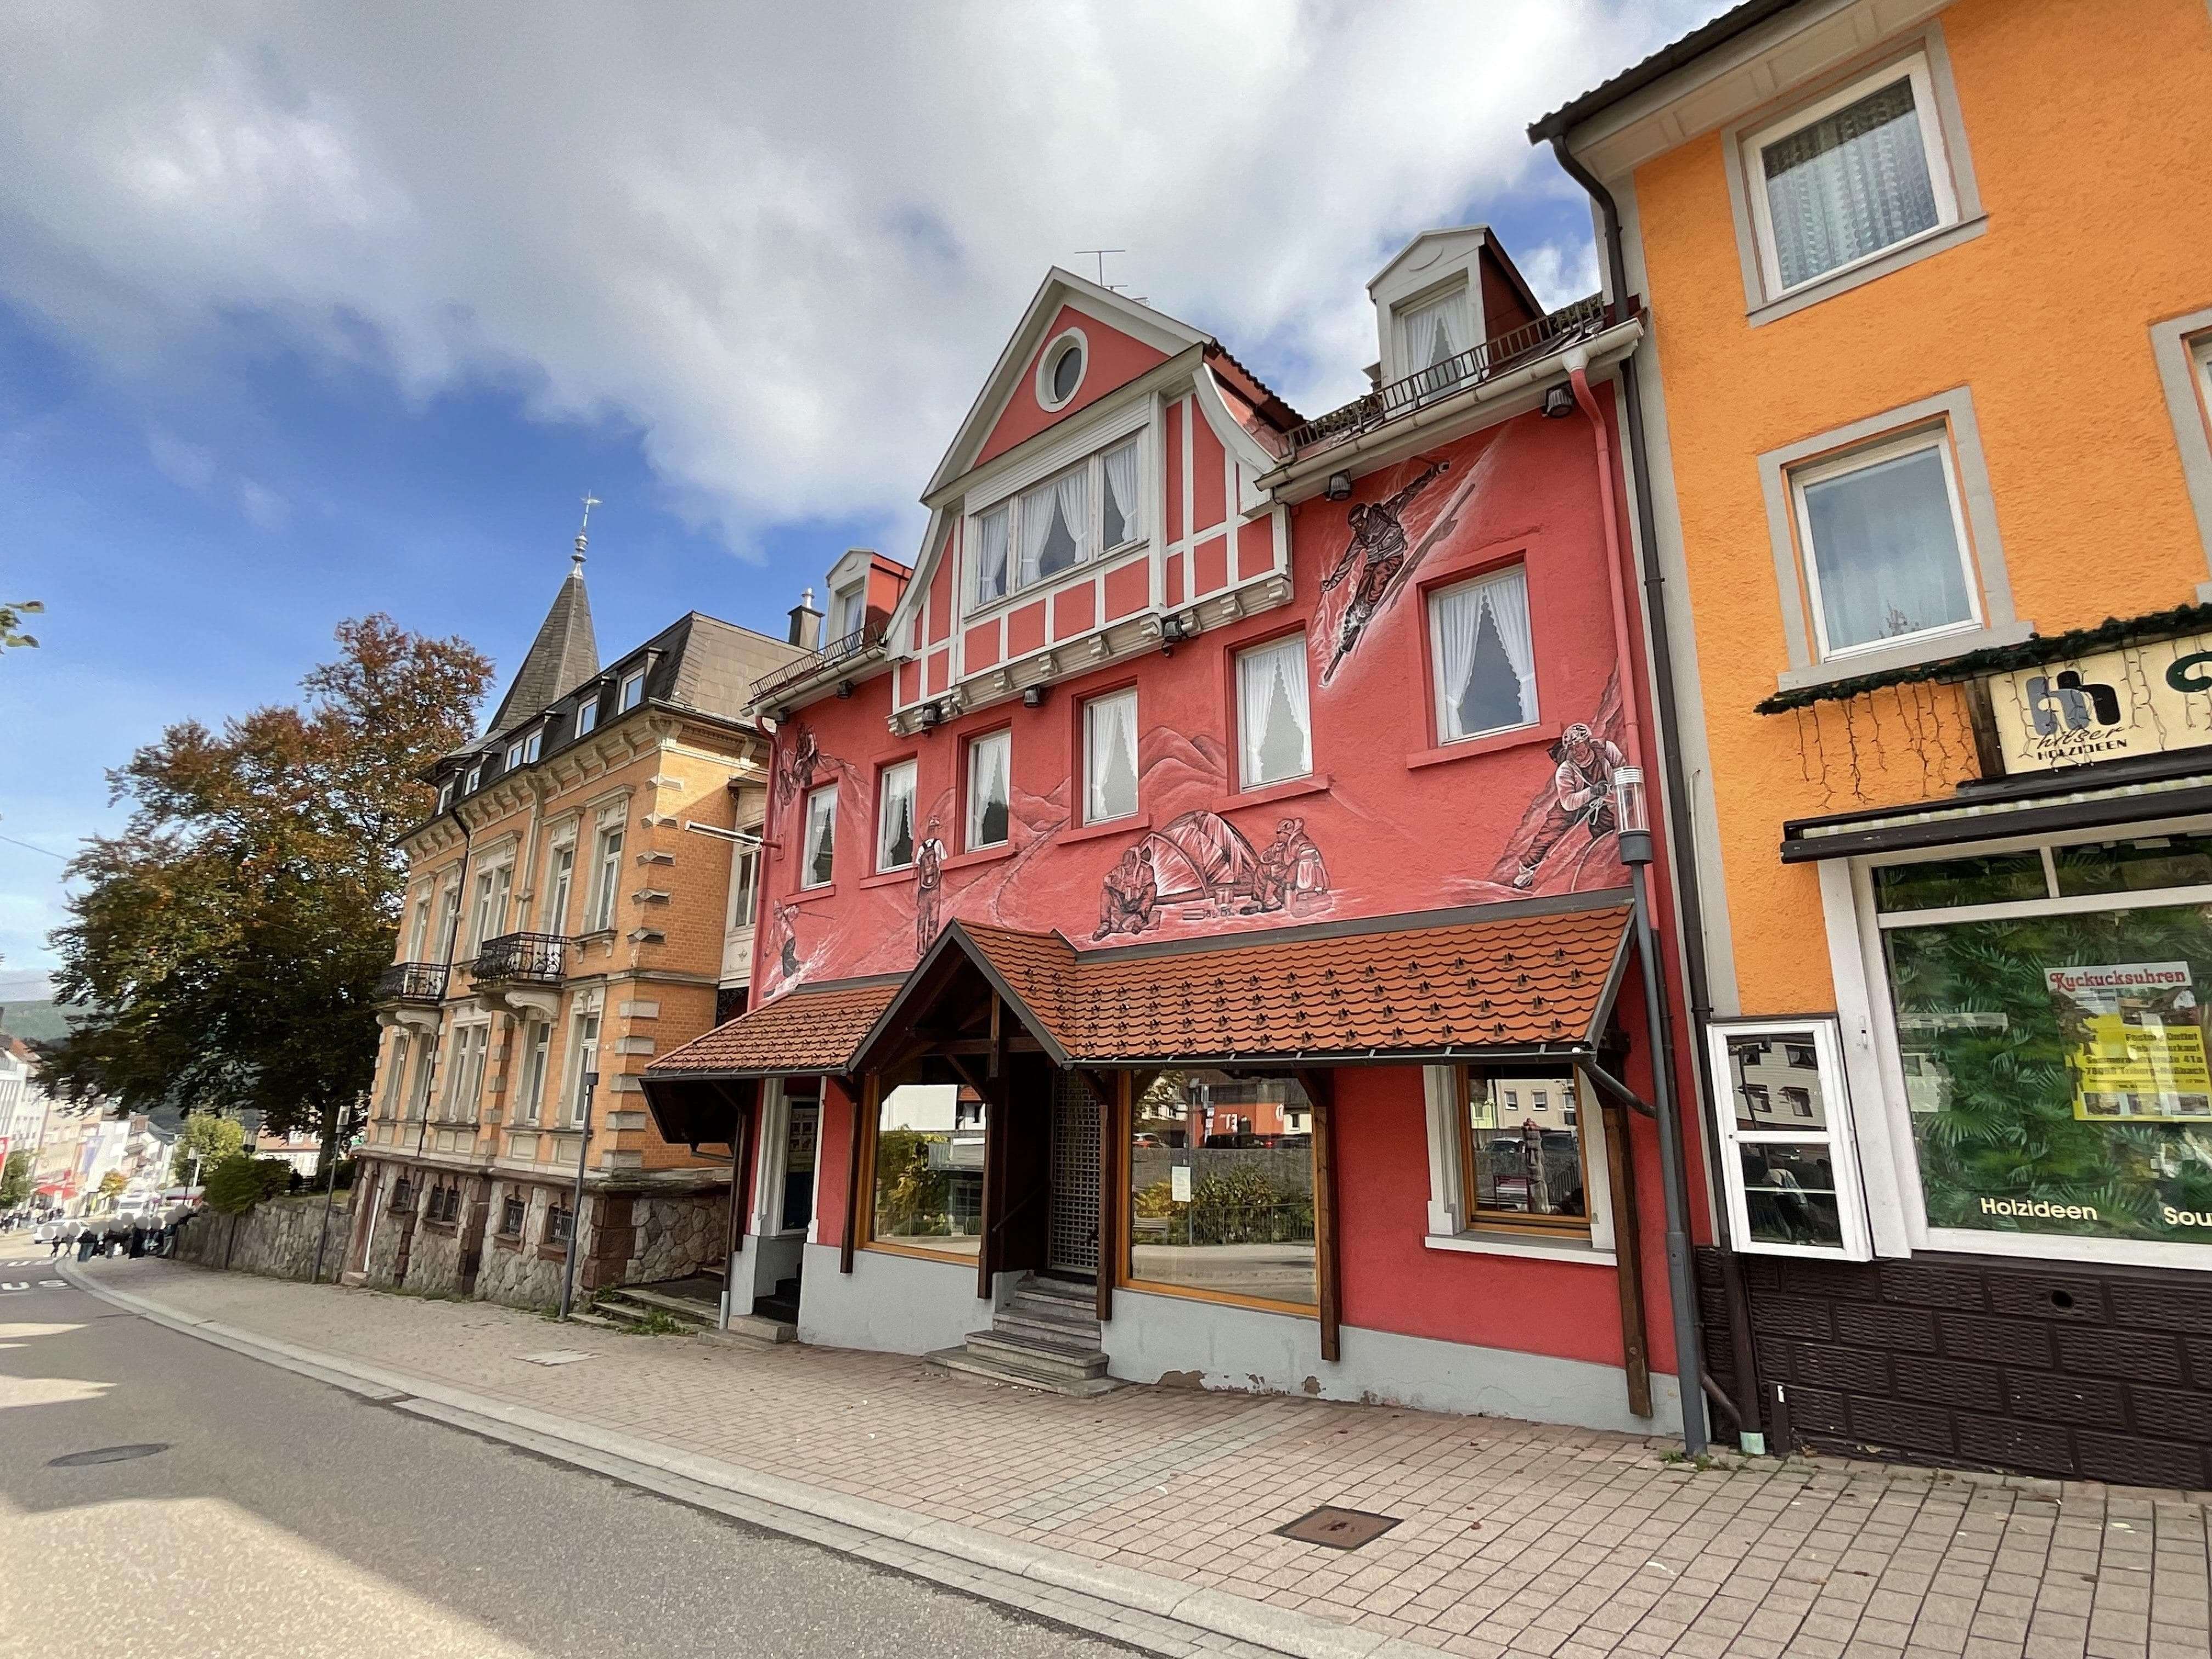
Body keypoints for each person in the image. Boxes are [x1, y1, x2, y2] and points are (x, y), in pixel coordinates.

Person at [1318, 460, 1448, 677]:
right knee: (1363, 587)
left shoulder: (1386, 513)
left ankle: (1367, 608)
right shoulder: (1361, 538)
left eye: (1360, 524)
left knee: (1379, 575)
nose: (1360, 529)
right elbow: (1347, 561)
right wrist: (1332, 583)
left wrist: (1433, 472)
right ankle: (1349, 629)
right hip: (1374, 562)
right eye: (1356, 527)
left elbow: (1409, 493)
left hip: (1393, 556)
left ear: (1367, 517)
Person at [1511, 723, 1623, 890]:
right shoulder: (1565, 770)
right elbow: (1568, 802)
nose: (1577, 752)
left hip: (1605, 801)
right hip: (1574, 805)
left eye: (1579, 745)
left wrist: (1612, 792)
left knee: (1605, 831)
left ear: (1588, 742)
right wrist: (1593, 791)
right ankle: (1527, 869)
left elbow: (1622, 769)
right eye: (1572, 748)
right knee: (1550, 832)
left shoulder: (1607, 750)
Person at [1095, 847, 1157, 940]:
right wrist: (1121, 886)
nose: (1127, 869)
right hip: (1123, 902)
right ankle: (1106, 924)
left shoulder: (1146, 869)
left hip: (1138, 903)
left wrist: (1134, 892)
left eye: (1129, 866)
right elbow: (1107, 879)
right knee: (1106, 892)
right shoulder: (1120, 870)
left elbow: (1148, 887)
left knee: (1152, 888)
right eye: (1125, 867)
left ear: (1135, 860)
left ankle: (1140, 921)